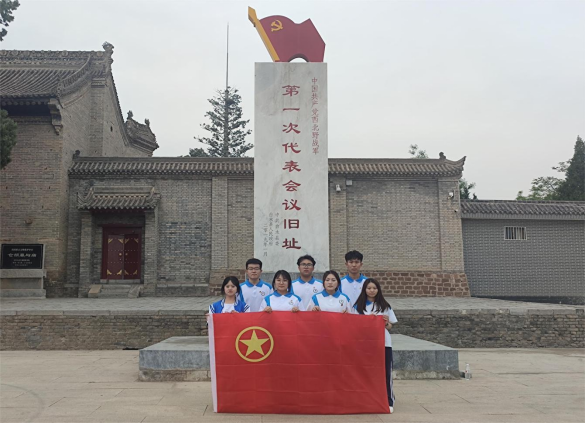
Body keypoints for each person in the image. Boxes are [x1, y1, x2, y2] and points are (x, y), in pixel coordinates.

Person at [354, 278, 398, 414]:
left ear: (378, 290)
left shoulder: (384, 305)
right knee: (366, 372)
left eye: (374, 288)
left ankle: (389, 400)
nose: (372, 290)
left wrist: (385, 323)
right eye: (369, 288)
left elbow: (390, 326)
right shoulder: (358, 306)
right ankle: (367, 398)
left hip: (384, 343)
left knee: (386, 372)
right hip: (365, 344)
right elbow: (354, 325)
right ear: (364, 290)